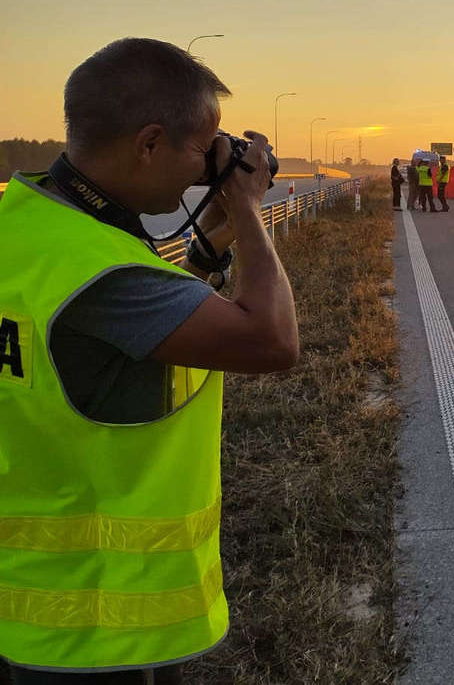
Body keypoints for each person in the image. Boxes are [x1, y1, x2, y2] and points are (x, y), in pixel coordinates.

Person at [0, 38, 299, 684]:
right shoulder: (101, 272)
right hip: (92, 620)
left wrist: (209, 243)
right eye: (201, 150)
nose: (204, 170)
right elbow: (272, 341)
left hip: (26, 597)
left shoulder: (28, 226)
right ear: (148, 142)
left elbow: (128, 328)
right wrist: (247, 208)